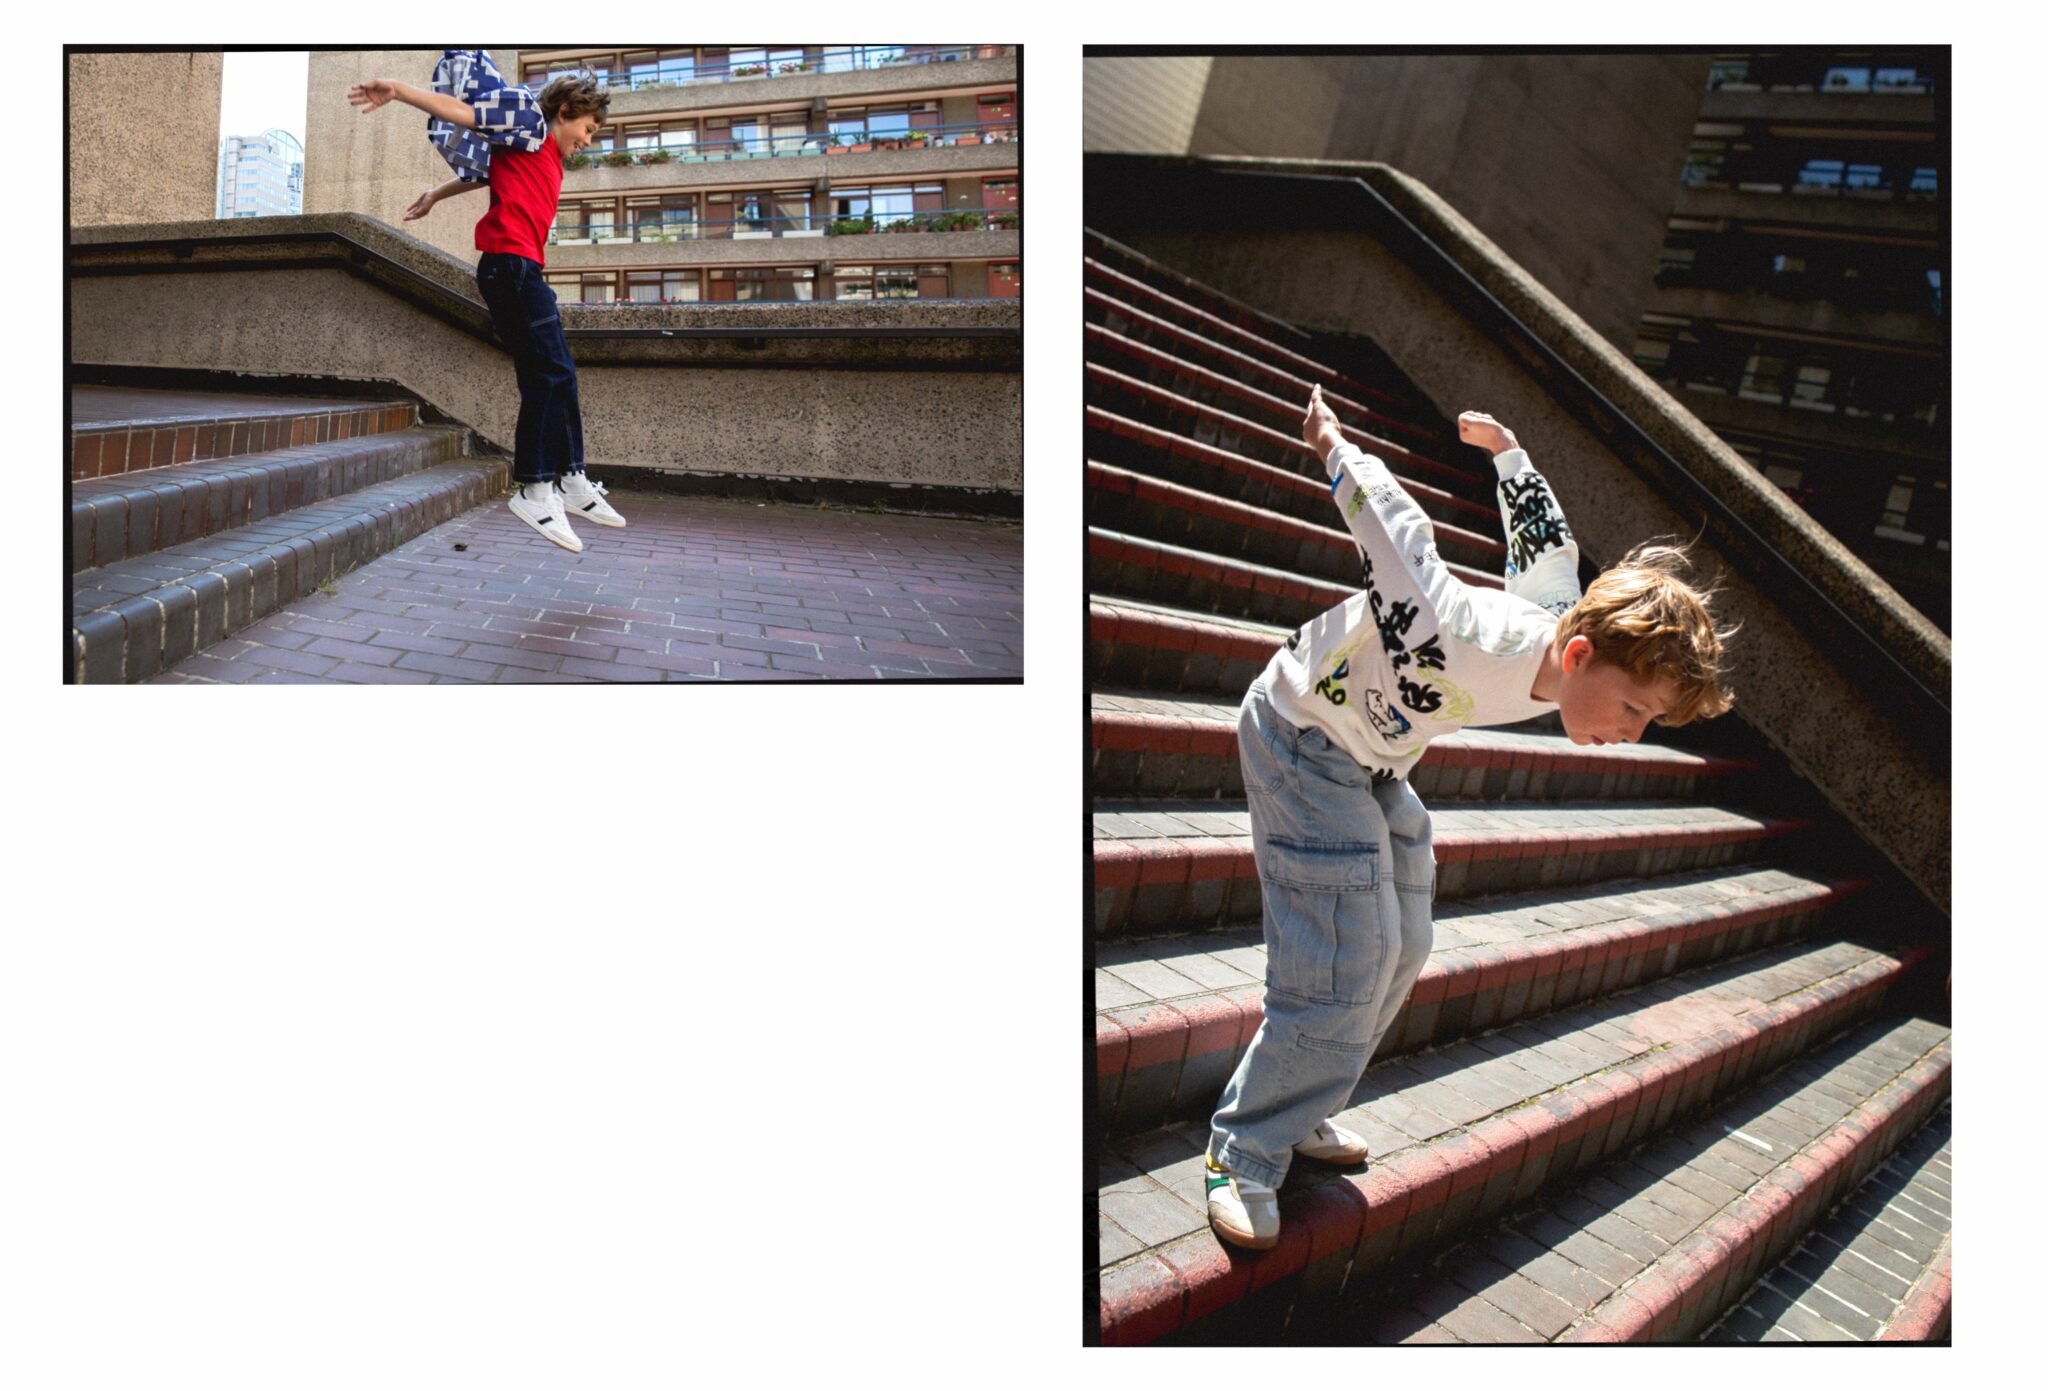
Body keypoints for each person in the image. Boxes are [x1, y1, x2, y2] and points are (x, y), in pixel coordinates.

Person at [1204, 386, 1737, 1250]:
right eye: (1634, 709)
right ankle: (1245, 1147)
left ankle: (1306, 1101)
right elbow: (1398, 538)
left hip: (1371, 757)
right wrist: (1335, 445)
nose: (1630, 734)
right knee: (1348, 955)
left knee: (1406, 940)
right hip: (1302, 735)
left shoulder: (1557, 619)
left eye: (1647, 723)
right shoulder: (1465, 633)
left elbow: (1548, 553)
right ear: (1579, 655)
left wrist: (1511, 453)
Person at [347, 51, 626, 553]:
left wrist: (435, 193)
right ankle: (538, 488)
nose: (589, 140)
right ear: (565, 111)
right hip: (510, 267)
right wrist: (400, 90)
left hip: (519, 270)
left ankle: (570, 478)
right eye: (589, 128)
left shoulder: (535, 151)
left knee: (554, 371)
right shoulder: (531, 124)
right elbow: (465, 115)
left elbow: (481, 172)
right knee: (550, 373)